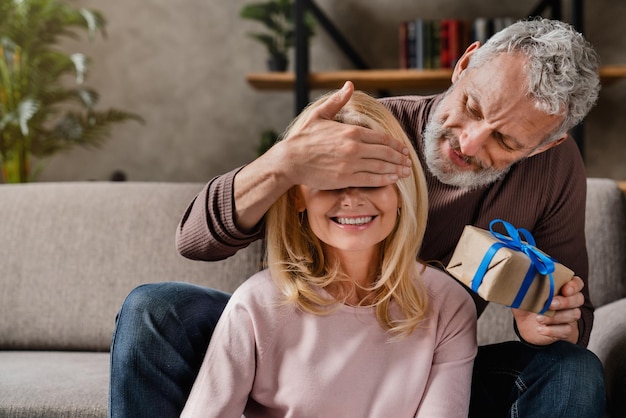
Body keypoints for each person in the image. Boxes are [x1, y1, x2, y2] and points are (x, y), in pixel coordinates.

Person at [109, 18, 606, 417]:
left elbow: (572, 317)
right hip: (298, 344)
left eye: (506, 142)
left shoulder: (553, 173)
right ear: (464, 63)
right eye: (471, 106)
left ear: (547, 143)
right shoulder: (364, 130)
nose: (469, 142)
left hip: (423, 362)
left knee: (572, 369)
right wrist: (283, 163)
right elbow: (195, 241)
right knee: (155, 309)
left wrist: (545, 318)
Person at [180, 91, 477, 417]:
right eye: (330, 182)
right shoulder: (255, 305)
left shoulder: (448, 305)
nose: (351, 199)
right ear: (297, 198)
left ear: (401, 193)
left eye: (372, 181)